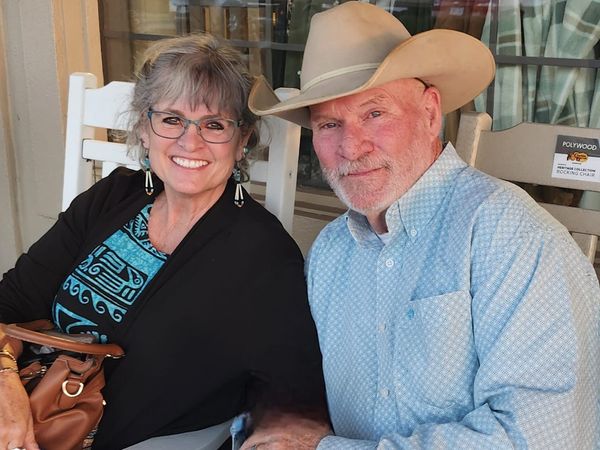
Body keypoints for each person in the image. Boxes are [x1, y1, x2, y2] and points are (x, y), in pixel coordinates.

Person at [244, 2, 600, 449]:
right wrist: (279, 424)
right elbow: (304, 386)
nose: (351, 147)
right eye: (329, 124)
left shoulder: (512, 238)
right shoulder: (332, 251)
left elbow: (543, 439)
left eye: (375, 114)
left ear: (431, 112)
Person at [0, 33, 327, 450]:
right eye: (172, 119)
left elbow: (288, 391)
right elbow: (11, 300)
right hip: (21, 411)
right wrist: (5, 381)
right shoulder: (111, 197)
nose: (190, 142)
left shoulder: (263, 255)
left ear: (242, 141)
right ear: (144, 128)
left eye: (214, 125)